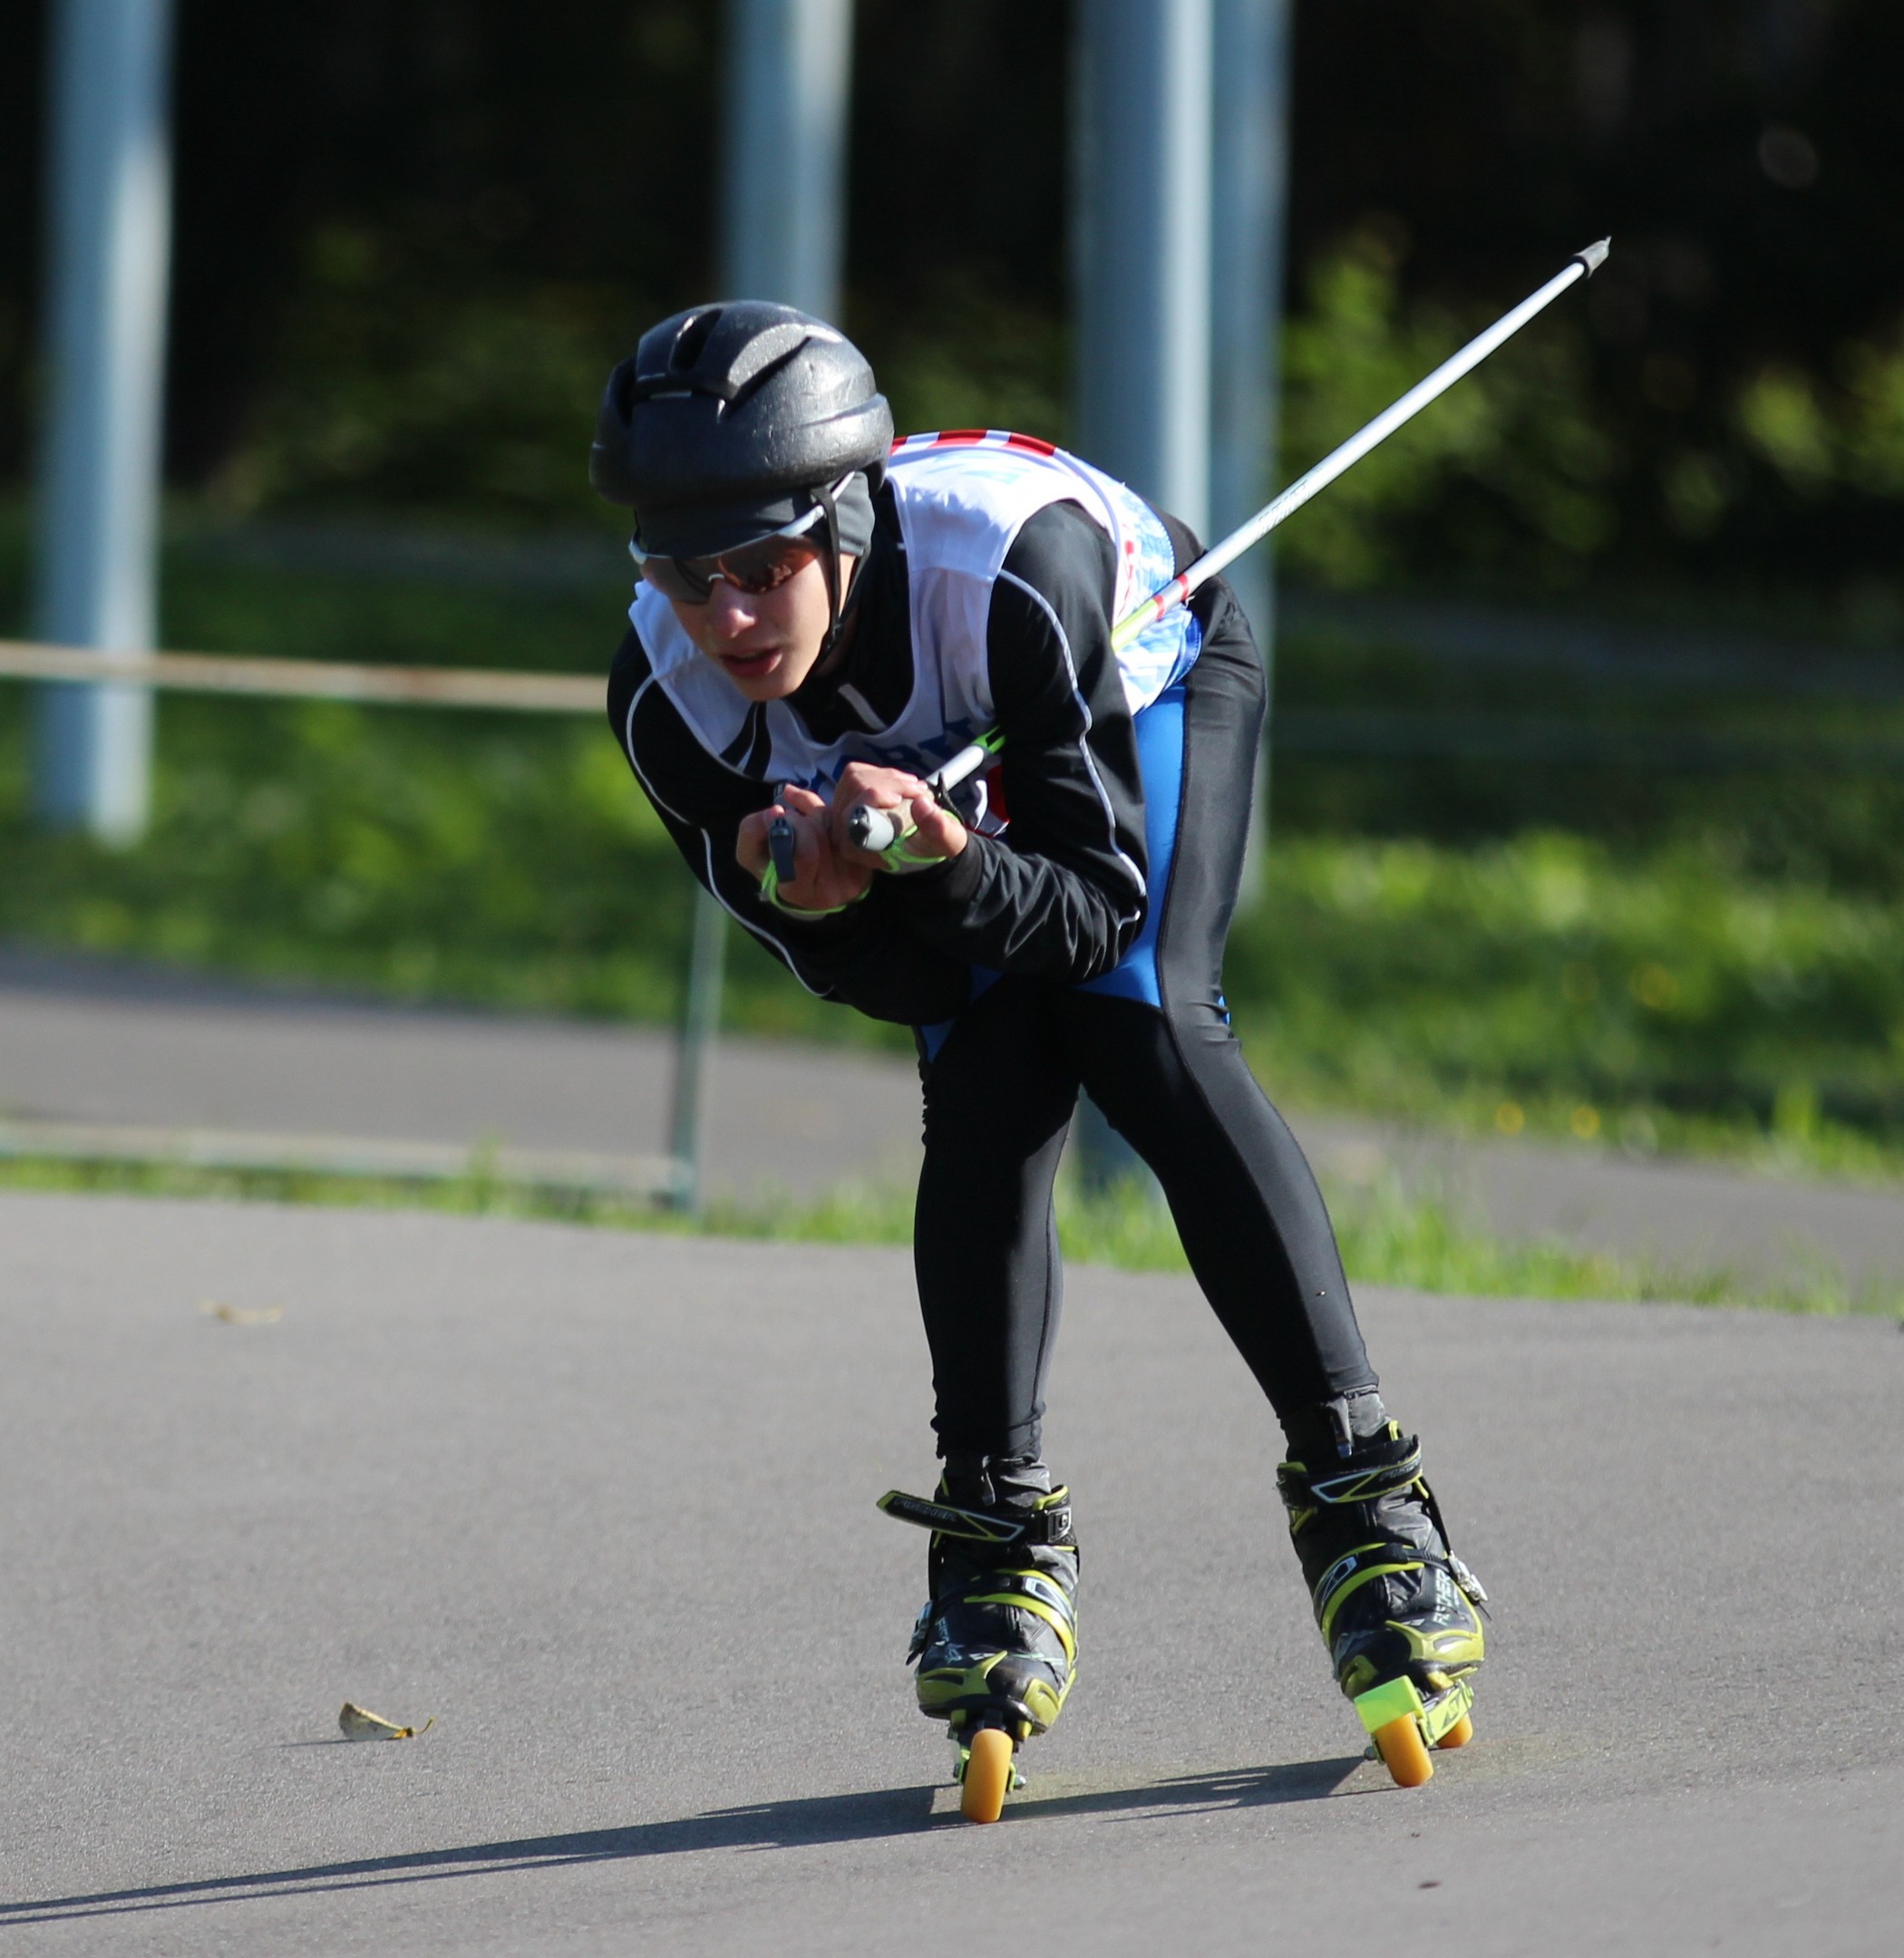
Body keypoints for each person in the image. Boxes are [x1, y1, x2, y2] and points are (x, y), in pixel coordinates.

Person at [593, 301, 1485, 1816]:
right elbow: (883, 980)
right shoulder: (666, 710)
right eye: (686, 576)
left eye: (763, 570)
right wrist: (829, 899)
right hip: (962, 803)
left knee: (1143, 1027)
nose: (729, 620)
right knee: (987, 1084)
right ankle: (995, 1529)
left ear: (848, 521)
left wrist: (938, 862)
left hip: (1145, 679)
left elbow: (1090, 916)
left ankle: (1365, 1500)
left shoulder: (1010, 576)